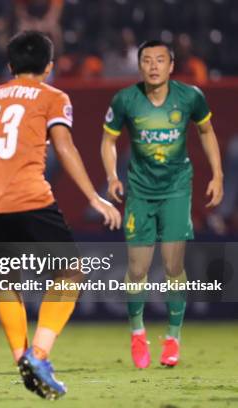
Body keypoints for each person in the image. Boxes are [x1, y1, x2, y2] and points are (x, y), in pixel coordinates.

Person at [0, 31, 121, 399]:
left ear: (10, 66)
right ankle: (38, 355)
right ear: (50, 67)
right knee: (70, 273)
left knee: (6, 281)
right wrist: (94, 197)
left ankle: (21, 358)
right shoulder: (53, 96)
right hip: (29, 198)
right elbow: (65, 146)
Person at [101, 40, 223, 369]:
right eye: (147, 60)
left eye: (160, 60)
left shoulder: (190, 97)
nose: (153, 66)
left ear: (171, 65)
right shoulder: (126, 99)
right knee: (138, 269)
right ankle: (138, 332)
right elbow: (108, 140)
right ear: (139, 66)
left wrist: (218, 174)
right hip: (140, 191)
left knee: (173, 267)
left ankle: (172, 338)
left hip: (176, 189)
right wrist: (112, 176)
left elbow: (207, 131)